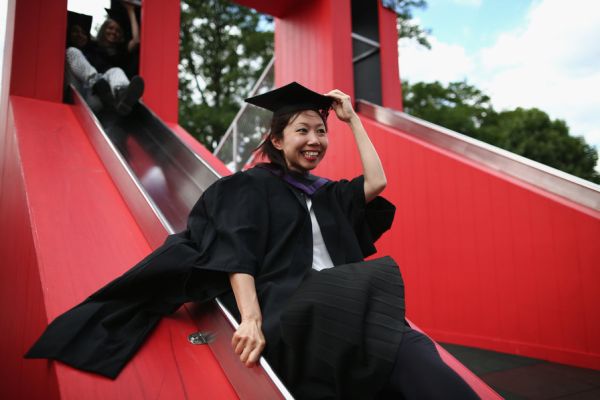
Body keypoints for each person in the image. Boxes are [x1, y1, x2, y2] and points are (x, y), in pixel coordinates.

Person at [26, 82, 478, 399]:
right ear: (277, 140)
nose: (315, 139)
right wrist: (250, 319)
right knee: (396, 345)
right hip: (296, 304)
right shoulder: (249, 187)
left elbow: (376, 182)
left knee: (415, 354)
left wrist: (352, 121)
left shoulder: (329, 194)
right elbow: (236, 250)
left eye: (321, 131)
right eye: (302, 130)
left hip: (346, 301)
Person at [65, 1, 144, 115]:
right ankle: (95, 81)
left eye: (117, 31)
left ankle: (122, 94)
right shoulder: (91, 46)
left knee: (116, 70)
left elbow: (136, 41)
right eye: (110, 28)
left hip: (98, 98)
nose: (113, 32)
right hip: (79, 94)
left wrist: (130, 11)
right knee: (71, 51)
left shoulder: (119, 53)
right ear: (104, 28)